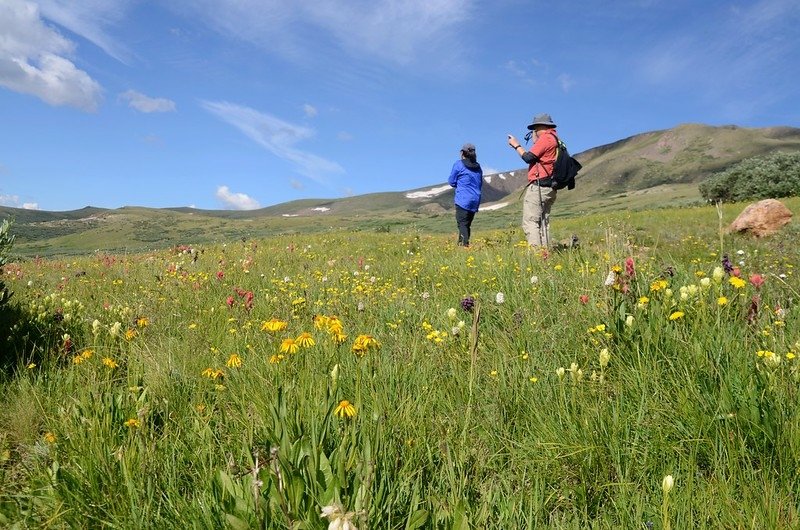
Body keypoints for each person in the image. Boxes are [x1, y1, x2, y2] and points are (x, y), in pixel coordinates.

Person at [507, 113, 559, 248]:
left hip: (539, 185)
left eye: (535, 129)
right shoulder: (554, 138)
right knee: (543, 222)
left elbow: (528, 158)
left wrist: (516, 145)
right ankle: (545, 252)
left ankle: (536, 255)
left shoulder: (546, 138)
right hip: (550, 186)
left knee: (530, 222)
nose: (534, 132)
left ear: (541, 126)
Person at [448, 143, 483, 247]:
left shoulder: (459, 164)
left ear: (462, 153)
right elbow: (480, 182)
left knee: (462, 224)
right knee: (467, 224)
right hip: (475, 200)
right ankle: (461, 246)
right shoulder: (478, 166)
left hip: (463, 199)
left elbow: (451, 181)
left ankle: (464, 246)